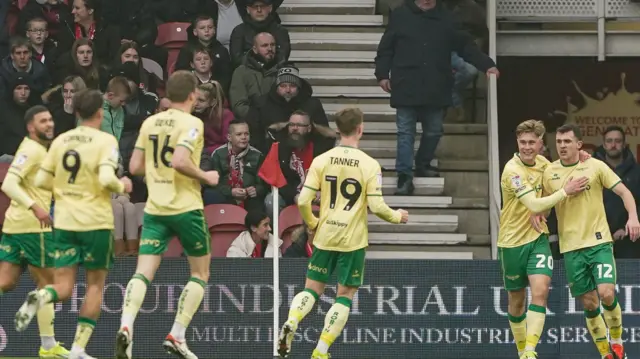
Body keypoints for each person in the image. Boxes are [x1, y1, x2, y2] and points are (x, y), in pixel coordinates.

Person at [277, 107, 409, 359]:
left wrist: (313, 222)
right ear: (360, 129)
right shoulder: (369, 164)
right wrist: (397, 216)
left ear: (337, 130)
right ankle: (321, 351)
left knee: (311, 289)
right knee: (345, 295)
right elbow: (377, 207)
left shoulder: (322, 160)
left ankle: (292, 320)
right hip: (353, 239)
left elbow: (304, 200)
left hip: (326, 234)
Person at [14, 89, 133, 359]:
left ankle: (42, 296)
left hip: (65, 222)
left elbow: (43, 182)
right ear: (101, 112)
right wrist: (121, 185)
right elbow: (106, 178)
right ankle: (78, 349)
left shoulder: (60, 141)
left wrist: (66, 190)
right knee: (94, 287)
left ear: (76, 112)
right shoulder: (106, 140)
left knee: (63, 288)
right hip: (96, 223)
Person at [115, 71, 220, 359]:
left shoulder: (150, 122)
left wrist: (155, 172)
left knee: (143, 272)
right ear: (192, 96)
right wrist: (206, 176)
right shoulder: (193, 123)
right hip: (186, 208)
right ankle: (177, 334)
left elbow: (134, 166)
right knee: (200, 273)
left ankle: (126, 326)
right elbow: (180, 160)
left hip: (155, 208)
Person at [542, 124, 640, 359]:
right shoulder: (549, 172)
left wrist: (633, 217)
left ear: (579, 145)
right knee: (589, 303)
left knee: (606, 293)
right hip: (571, 248)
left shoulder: (595, 166)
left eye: (567, 141)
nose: (562, 146)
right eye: (559, 142)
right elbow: (544, 207)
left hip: (599, 242)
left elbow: (625, 192)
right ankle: (606, 353)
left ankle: (616, 341)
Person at [498, 120, 589, 359]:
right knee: (516, 303)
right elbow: (534, 203)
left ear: (541, 144)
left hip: (538, 237)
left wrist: (582, 157)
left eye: (531, 142)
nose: (527, 147)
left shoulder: (544, 164)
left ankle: (530, 351)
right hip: (511, 242)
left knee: (540, 291)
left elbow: (565, 171)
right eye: (522, 142)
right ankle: (521, 351)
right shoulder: (512, 171)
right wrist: (563, 193)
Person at [0, 105, 69, 358]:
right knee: (50, 285)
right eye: (43, 121)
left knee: (5, 282)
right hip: (33, 229)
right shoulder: (32, 150)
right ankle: (49, 346)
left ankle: (49, 346)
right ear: (31, 126)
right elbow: (8, 183)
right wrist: (37, 208)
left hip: (13, 225)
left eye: (51, 119)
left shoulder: (32, 149)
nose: (49, 124)